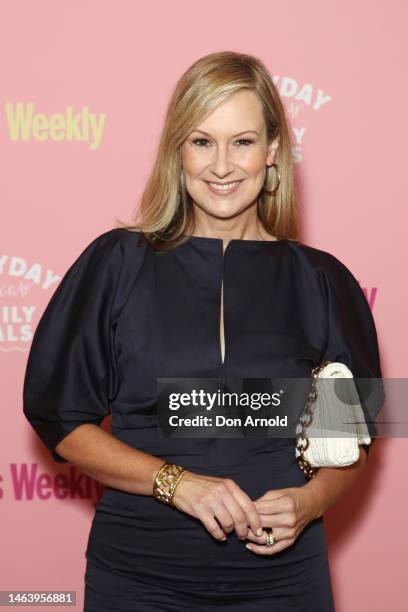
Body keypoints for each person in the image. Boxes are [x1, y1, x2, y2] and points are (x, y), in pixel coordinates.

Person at [23, 51, 382, 611]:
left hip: (283, 584)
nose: (222, 165)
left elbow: (348, 446)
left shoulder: (324, 281)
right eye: (201, 141)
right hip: (139, 579)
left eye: (241, 141)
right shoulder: (117, 262)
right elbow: (64, 422)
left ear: (273, 153)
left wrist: (311, 502)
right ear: (177, 153)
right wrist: (178, 481)